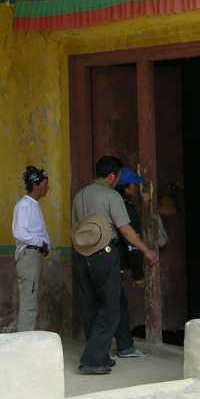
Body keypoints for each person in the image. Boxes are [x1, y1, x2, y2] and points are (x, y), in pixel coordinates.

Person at [71, 155, 157, 375]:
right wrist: (146, 250)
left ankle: (100, 355)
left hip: (81, 256)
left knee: (89, 306)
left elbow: (75, 227)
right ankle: (92, 360)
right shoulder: (111, 196)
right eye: (118, 176)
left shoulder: (79, 195)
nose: (118, 180)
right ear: (111, 176)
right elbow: (126, 230)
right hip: (104, 255)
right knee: (111, 307)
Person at [12, 165, 51, 332]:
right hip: (29, 255)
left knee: (31, 300)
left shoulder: (33, 205)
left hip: (34, 256)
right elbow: (20, 233)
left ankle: (26, 339)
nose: (47, 188)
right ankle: (24, 342)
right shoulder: (24, 206)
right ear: (35, 185)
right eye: (45, 184)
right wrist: (40, 242)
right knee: (29, 302)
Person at [113, 167, 146, 358]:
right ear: (128, 187)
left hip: (105, 262)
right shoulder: (127, 209)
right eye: (135, 185)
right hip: (116, 264)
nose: (137, 189)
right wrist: (138, 274)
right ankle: (125, 347)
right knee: (118, 305)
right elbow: (132, 244)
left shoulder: (113, 204)